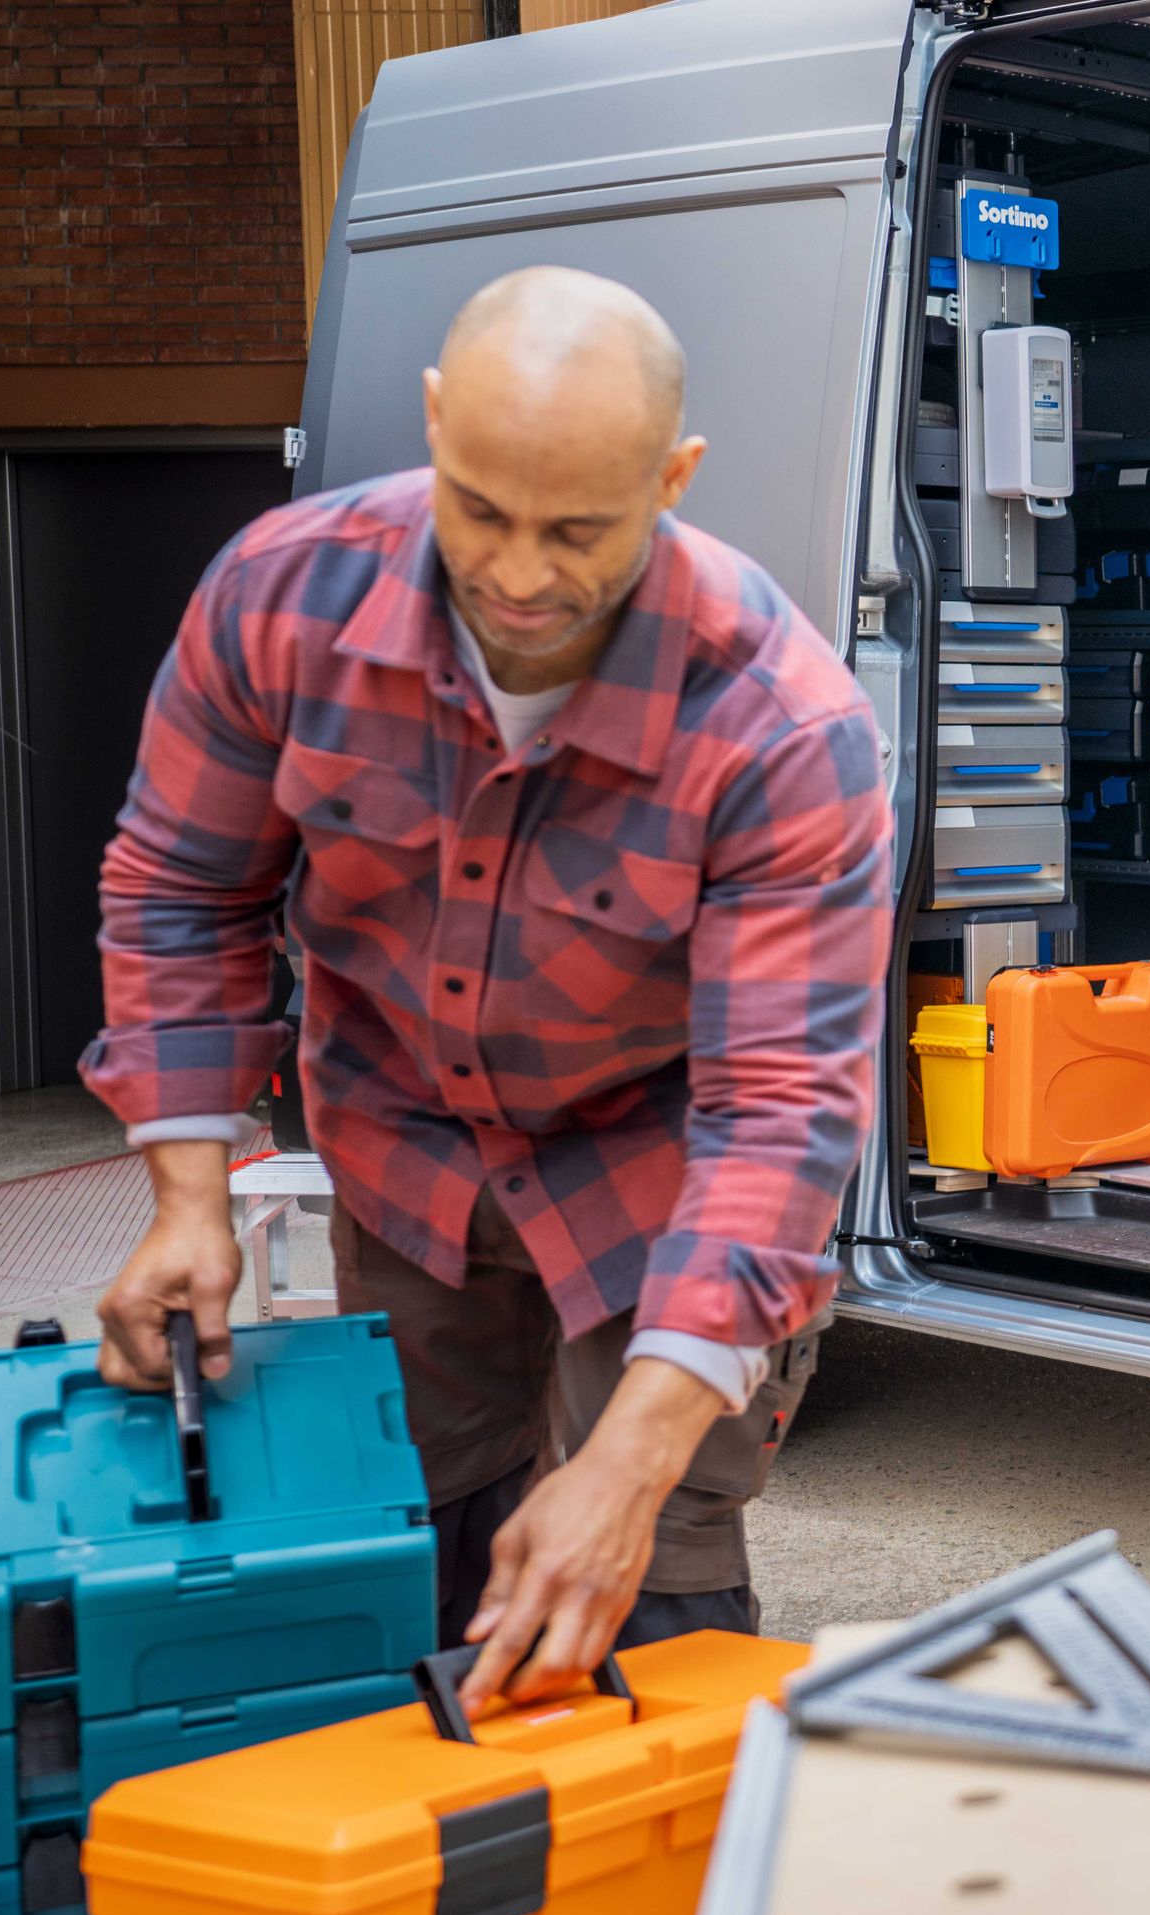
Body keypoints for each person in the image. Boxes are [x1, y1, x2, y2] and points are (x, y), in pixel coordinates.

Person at [82, 266, 893, 1719]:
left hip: (663, 1185)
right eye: (481, 511)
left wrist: (632, 1463)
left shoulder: (781, 722)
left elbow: (779, 1110)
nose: (520, 574)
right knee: (430, 1546)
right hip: (403, 1158)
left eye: (579, 529)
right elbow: (181, 885)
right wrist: (189, 1197)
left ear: (674, 477)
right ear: (437, 425)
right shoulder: (282, 599)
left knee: (643, 1589)